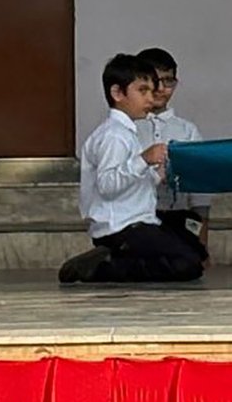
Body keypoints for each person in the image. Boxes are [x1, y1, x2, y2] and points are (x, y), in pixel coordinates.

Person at [59, 53, 207, 283]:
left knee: (193, 250)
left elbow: (136, 185)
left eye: (151, 91)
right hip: (122, 227)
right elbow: (107, 185)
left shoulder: (127, 133)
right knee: (187, 265)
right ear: (118, 93)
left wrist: (159, 173)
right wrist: (144, 159)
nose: (150, 98)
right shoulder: (114, 136)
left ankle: (118, 258)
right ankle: (102, 266)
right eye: (142, 91)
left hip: (140, 222)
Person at [134, 46, 211, 253]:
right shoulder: (128, 128)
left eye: (168, 81)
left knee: (184, 261)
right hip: (137, 220)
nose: (161, 88)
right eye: (154, 81)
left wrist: (202, 241)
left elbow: (200, 189)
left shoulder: (187, 130)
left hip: (177, 217)